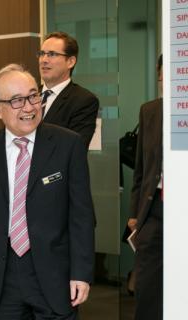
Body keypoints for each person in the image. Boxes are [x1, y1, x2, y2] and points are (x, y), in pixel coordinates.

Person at [0, 64, 95, 320]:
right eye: (17, 100)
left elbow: (82, 216)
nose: (29, 107)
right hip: (2, 277)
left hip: (56, 276)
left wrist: (81, 273)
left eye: (33, 96)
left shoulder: (68, 144)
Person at [127, 54, 163, 320]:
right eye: (163, 76)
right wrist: (135, 212)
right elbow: (141, 170)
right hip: (154, 210)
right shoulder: (150, 110)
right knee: (148, 286)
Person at [38, 31, 99, 150]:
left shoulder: (84, 100)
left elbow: (74, 148)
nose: (44, 60)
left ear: (70, 62)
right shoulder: (28, 95)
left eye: (52, 54)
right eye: (41, 53)